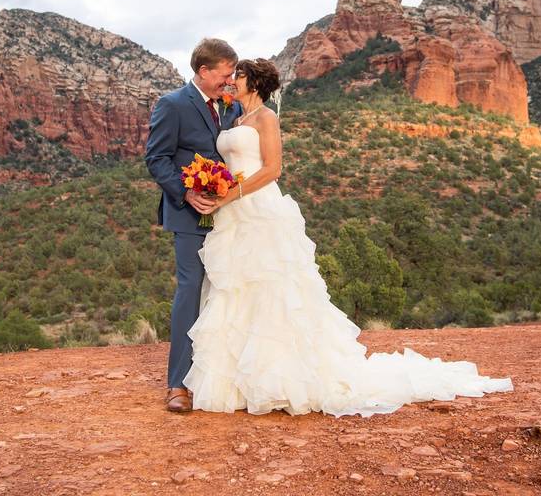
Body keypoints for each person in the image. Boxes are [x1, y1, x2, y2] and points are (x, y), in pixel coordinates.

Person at [183, 58, 513, 417]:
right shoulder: (236, 119)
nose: (233, 80)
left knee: (272, 288)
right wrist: (215, 185)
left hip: (258, 207)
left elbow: (273, 170)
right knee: (237, 289)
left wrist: (232, 193)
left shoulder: (266, 118)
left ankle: (282, 379)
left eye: (240, 75)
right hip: (232, 213)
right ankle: (240, 381)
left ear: (255, 82)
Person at [144, 38, 243, 413]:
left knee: (228, 291)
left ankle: (220, 377)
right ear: (203, 72)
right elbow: (157, 158)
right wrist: (187, 193)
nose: (229, 80)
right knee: (191, 288)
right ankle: (178, 385)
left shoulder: (229, 107)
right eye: (225, 74)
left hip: (230, 215)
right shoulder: (172, 104)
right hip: (189, 214)